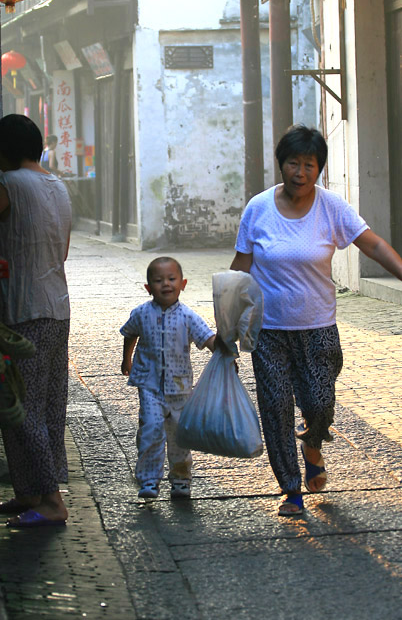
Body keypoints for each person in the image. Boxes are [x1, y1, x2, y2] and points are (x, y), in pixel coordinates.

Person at [230, 125, 402, 516]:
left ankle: (312, 441)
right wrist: (229, 324)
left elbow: (371, 243)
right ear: (282, 164)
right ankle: (290, 489)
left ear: (319, 168)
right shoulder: (258, 209)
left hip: (318, 327)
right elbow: (239, 269)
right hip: (268, 330)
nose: (300, 172)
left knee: (320, 403)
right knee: (275, 409)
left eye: (309, 164)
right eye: (293, 163)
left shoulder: (331, 207)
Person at [0, 114, 72, 527]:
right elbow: (59, 251)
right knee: (47, 407)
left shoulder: (9, 184)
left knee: (21, 409)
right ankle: (29, 492)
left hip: (23, 312)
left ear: (1, 153)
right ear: (40, 147)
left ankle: (50, 501)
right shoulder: (58, 186)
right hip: (58, 308)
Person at [120, 257, 215, 500]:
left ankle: (181, 479)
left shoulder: (188, 316)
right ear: (148, 287)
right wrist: (126, 359)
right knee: (151, 429)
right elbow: (129, 334)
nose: (166, 284)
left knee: (179, 436)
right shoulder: (141, 313)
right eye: (158, 280)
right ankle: (149, 480)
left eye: (171, 279)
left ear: (182, 283)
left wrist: (225, 353)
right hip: (149, 386)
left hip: (180, 389)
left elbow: (207, 339)